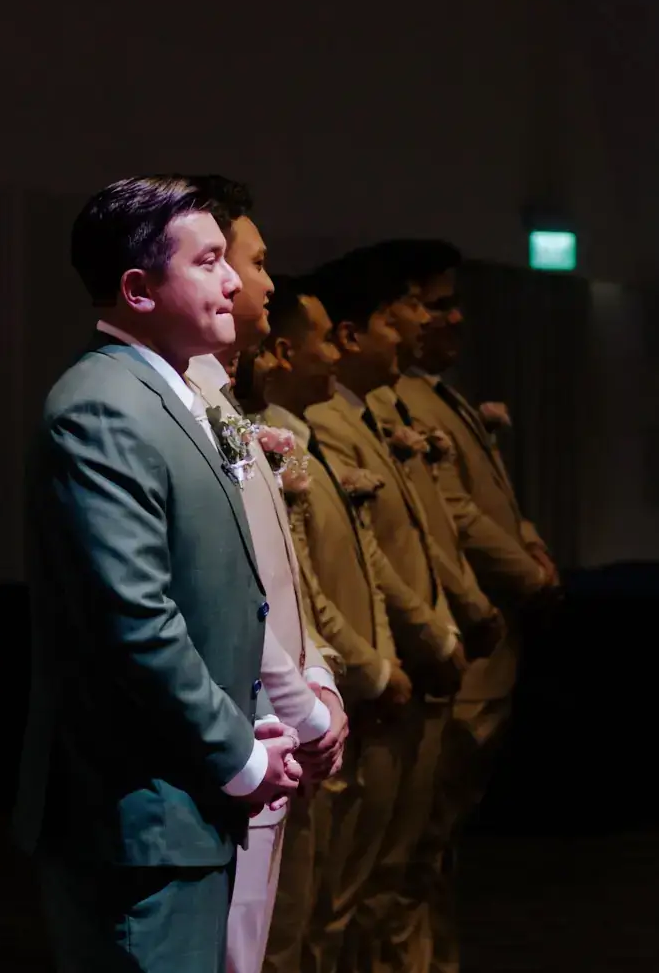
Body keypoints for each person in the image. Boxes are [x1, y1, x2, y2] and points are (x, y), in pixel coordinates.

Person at [16, 175, 304, 972]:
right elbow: (135, 620)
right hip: (139, 817)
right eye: (209, 261)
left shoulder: (167, 391)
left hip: (182, 806)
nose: (235, 281)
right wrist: (240, 755)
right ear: (139, 289)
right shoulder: (104, 407)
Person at [253, 278, 444, 973]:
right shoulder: (280, 444)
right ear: (280, 351)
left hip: (356, 693)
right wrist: (367, 671)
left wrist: (389, 661)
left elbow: (363, 565)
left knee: (342, 903)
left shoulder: (307, 440)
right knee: (304, 920)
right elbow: (304, 590)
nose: (336, 352)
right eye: (324, 338)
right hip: (324, 701)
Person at [181, 177, 346, 973]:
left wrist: (321, 677)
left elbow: (283, 579)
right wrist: (301, 709)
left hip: (282, 714)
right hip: (249, 729)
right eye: (250, 260)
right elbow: (225, 591)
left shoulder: (227, 402)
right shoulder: (184, 402)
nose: (265, 282)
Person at [384, 240, 556, 972]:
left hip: (483, 652)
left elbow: (491, 499)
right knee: (411, 856)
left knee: (436, 850)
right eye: (435, 303)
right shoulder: (401, 402)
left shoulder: (439, 395)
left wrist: (531, 546)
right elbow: (450, 512)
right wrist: (530, 576)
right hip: (457, 651)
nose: (454, 318)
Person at [305, 252, 477, 973]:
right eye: (393, 312)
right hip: (366, 681)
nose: (409, 326)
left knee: (400, 867)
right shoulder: (310, 426)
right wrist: (393, 653)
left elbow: (412, 535)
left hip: (404, 664)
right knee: (334, 899)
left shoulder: (368, 415)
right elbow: (332, 566)